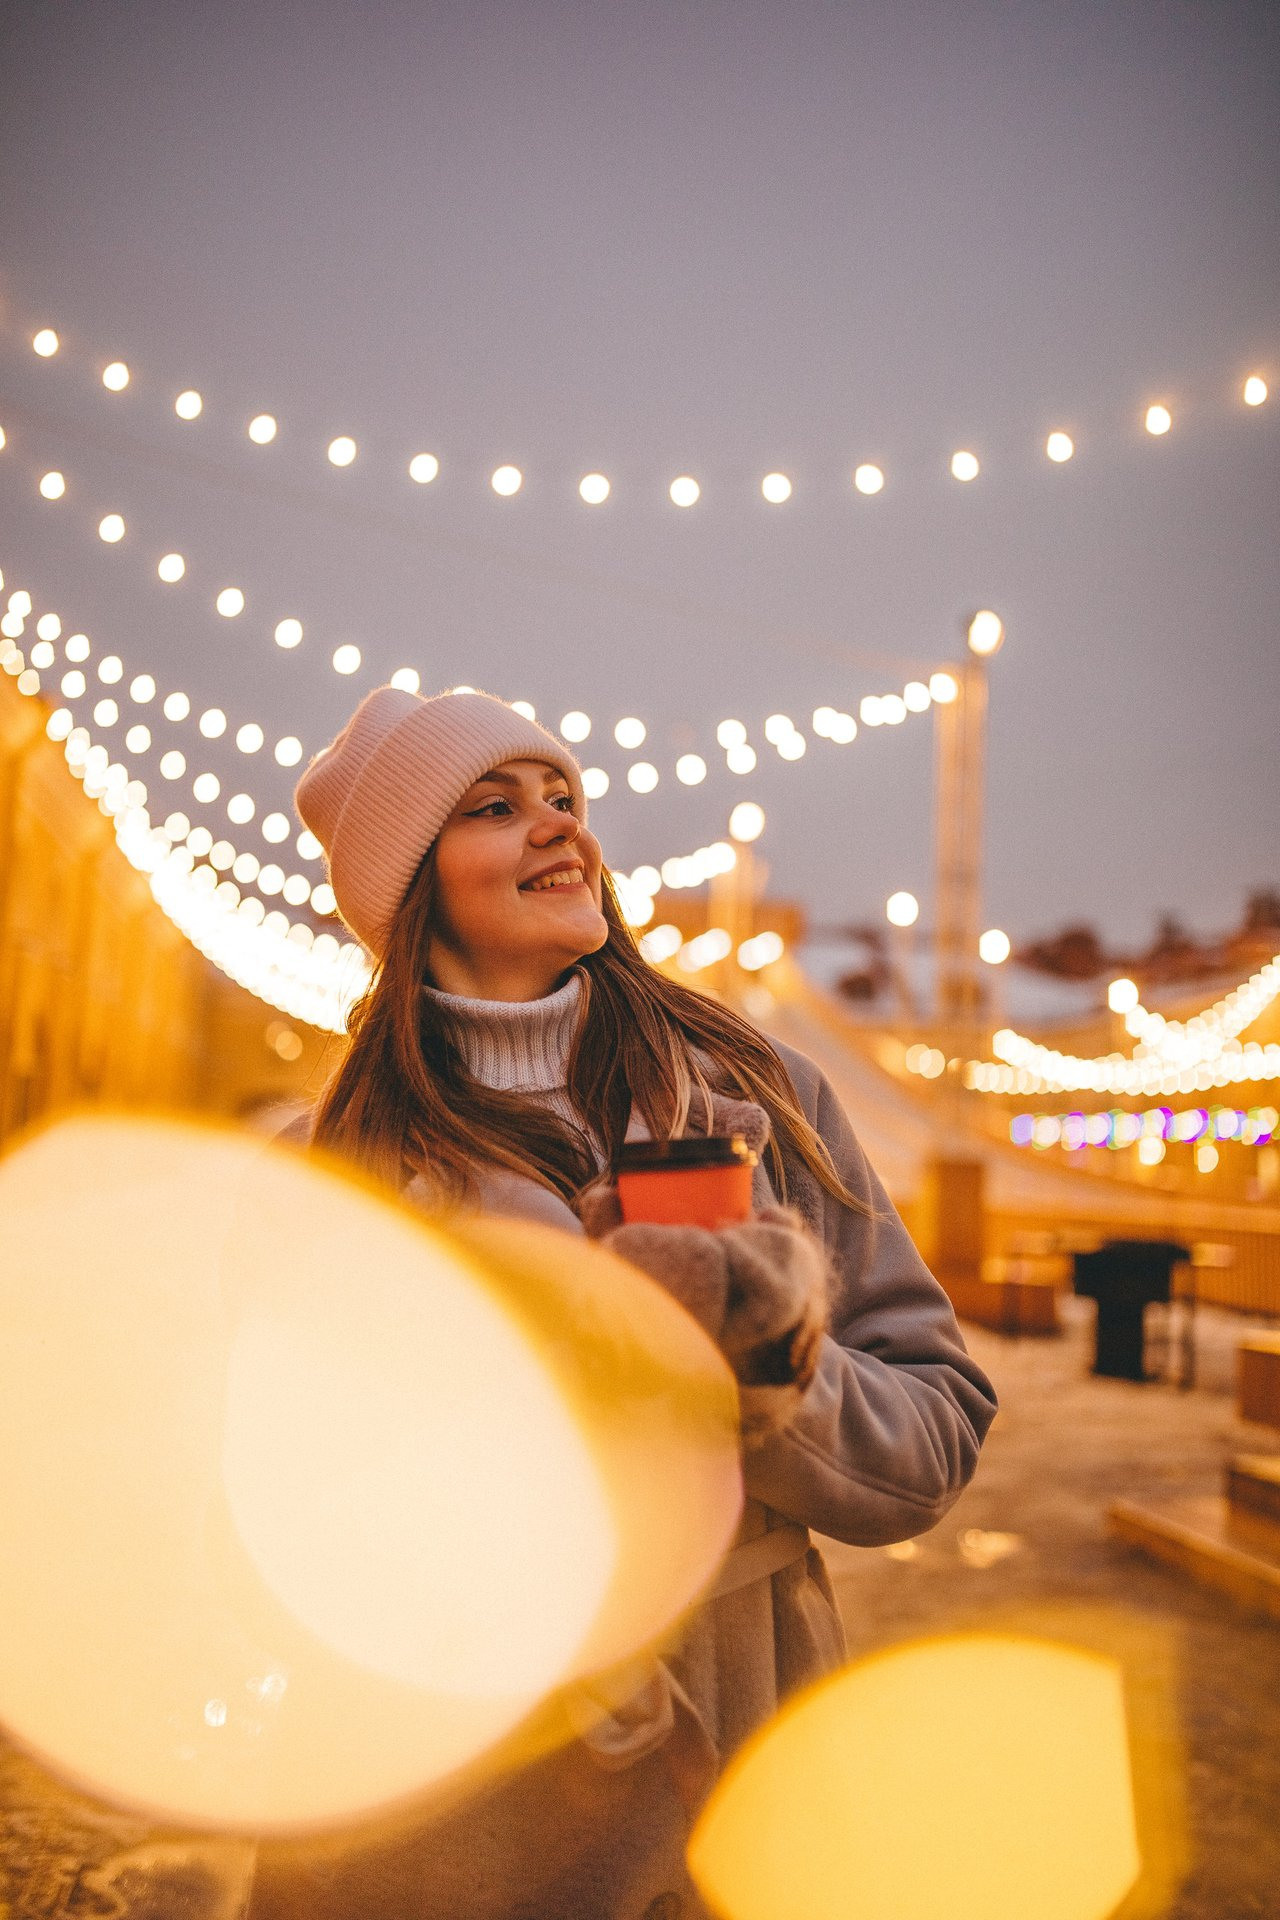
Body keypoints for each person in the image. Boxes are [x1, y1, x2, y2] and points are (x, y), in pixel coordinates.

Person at [250, 685, 997, 1920]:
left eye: (562, 799)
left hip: (745, 1752)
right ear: (408, 890)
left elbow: (934, 1438)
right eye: (495, 807)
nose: (557, 826)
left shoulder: (763, 1099)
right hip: (448, 1802)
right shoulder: (322, 1174)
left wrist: (767, 1358)